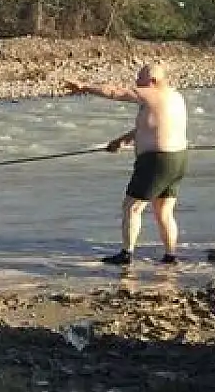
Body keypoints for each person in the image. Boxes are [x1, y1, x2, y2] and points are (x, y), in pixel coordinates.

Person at [63, 63, 189, 266]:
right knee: (164, 210)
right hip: (178, 159)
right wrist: (122, 141)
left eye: (140, 80)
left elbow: (116, 92)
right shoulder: (175, 96)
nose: (137, 84)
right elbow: (152, 126)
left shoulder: (152, 94)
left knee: (131, 207)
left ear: (153, 82)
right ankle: (170, 256)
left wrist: (84, 87)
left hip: (155, 161)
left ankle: (126, 254)